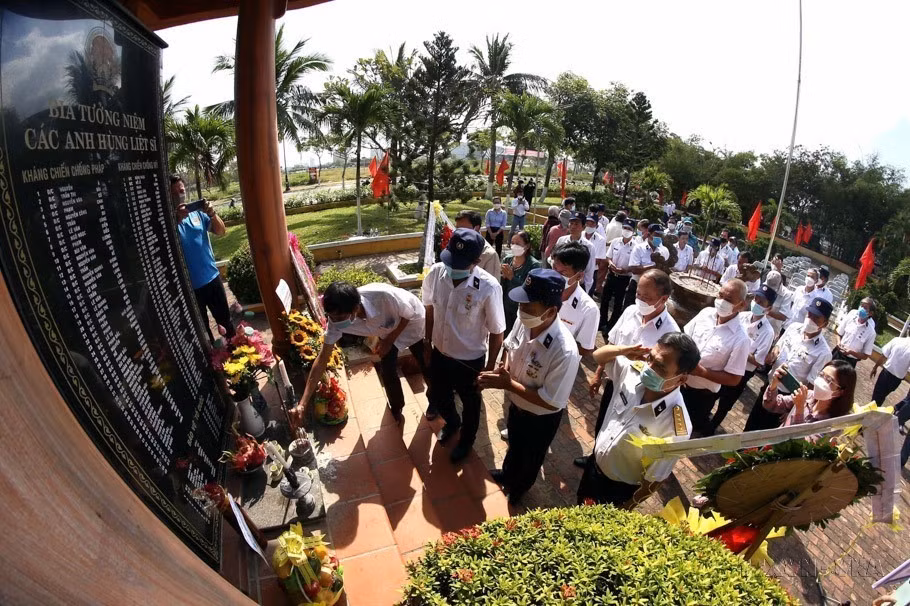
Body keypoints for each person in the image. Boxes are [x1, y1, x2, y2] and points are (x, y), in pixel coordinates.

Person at [481, 269, 580, 505]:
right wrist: (503, 368)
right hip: (517, 406)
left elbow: (551, 401)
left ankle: (518, 489)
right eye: (521, 305)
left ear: (552, 311)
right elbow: (509, 345)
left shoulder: (564, 351)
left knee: (530, 458)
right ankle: (507, 474)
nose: (522, 311)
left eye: (529, 307)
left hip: (540, 418)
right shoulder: (524, 319)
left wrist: (507, 384)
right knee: (514, 445)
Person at [576, 332, 701, 507]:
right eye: (650, 358)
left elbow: (654, 480)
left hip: (617, 490)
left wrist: (627, 507)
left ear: (681, 378)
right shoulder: (632, 373)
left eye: (660, 367)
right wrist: (623, 350)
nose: (649, 367)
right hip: (592, 467)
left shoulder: (676, 426)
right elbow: (598, 356)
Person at [576, 269, 680, 468]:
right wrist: (599, 374)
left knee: (623, 434)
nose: (640, 299)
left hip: (638, 395)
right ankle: (595, 458)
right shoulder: (631, 311)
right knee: (603, 424)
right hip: (614, 384)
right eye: (638, 294)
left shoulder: (671, 333)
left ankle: (607, 467)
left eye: (647, 297)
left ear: (663, 298)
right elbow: (612, 345)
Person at [422, 228, 506, 462]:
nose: (452, 268)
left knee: (470, 404)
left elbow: (497, 331)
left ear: (476, 261)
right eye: (451, 259)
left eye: (460, 263)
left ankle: (466, 441)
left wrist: (489, 368)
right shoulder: (436, 273)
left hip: (470, 361)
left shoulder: (489, 287)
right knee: (439, 395)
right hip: (440, 352)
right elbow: (429, 309)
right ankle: (452, 423)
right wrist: (427, 342)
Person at [297, 282, 427, 424]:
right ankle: (396, 408)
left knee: (424, 361)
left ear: (355, 309)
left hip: (412, 323)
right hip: (387, 331)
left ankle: (434, 401)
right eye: (331, 317)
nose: (335, 322)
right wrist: (302, 403)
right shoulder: (336, 319)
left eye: (340, 318)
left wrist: (389, 341)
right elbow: (322, 359)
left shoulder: (384, 298)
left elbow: (408, 315)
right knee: (387, 370)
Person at [744, 297, 834, 432]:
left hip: (787, 398)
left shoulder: (823, 352)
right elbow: (779, 346)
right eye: (810, 314)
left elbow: (810, 385)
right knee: (752, 422)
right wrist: (773, 353)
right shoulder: (793, 328)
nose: (810, 319)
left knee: (765, 433)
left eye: (817, 318)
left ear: (825, 324)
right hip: (770, 386)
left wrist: (792, 408)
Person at [681, 279, 751, 437]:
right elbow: (684, 339)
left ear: (741, 305)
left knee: (680, 434)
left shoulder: (741, 339)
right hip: (677, 384)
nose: (721, 302)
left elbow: (734, 379)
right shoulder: (706, 313)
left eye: (728, 300)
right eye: (720, 296)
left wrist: (701, 372)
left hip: (699, 398)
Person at [171, 175, 234, 339]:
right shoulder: (167, 221)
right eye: (176, 190)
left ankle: (237, 356)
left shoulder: (197, 214)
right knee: (203, 333)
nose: (180, 192)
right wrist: (176, 219)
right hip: (189, 289)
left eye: (182, 188)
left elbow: (221, 231)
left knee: (226, 323)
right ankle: (213, 362)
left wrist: (212, 213)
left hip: (212, 279)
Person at [709, 284, 777, 434]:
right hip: (725, 362)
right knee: (714, 392)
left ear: (769, 308)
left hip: (742, 372)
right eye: (756, 298)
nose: (756, 303)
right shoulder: (743, 316)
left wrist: (739, 350)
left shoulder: (767, 332)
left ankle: (712, 426)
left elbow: (759, 360)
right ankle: (705, 418)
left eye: (761, 302)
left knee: (726, 402)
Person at [761, 360, 856, 427]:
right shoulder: (808, 395)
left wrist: (799, 408)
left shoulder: (832, 424)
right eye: (821, 375)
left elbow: (801, 446)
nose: (821, 381)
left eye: (829, 380)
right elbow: (770, 404)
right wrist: (774, 384)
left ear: (840, 392)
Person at [550, 242, 599, 356]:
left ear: (579, 276)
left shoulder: (589, 310)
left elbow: (586, 349)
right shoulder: (542, 290)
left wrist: (552, 344)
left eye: (563, 272)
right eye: (554, 268)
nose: (555, 275)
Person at [500, 231, 541, 334]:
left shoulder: (534, 265)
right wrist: (502, 276)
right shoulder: (507, 259)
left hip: (521, 309)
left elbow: (531, 289)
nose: (514, 246)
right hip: (504, 305)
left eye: (518, 243)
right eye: (512, 243)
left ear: (527, 246)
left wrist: (512, 278)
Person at [600, 219, 637, 333]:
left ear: (634, 231)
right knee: (604, 299)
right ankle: (602, 322)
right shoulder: (615, 242)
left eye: (629, 229)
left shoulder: (636, 246)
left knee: (618, 303)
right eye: (625, 228)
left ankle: (611, 326)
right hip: (611, 275)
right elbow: (608, 257)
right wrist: (611, 264)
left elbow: (635, 265)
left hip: (624, 278)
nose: (626, 230)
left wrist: (625, 270)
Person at [624, 224, 668, 309]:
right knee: (629, 310)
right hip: (636, 286)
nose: (658, 238)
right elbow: (634, 270)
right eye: (656, 235)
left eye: (660, 235)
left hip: (652, 290)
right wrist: (654, 266)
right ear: (648, 235)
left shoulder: (663, 251)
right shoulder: (638, 248)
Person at [554, 211, 597, 292]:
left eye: (576, 224)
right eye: (571, 223)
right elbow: (555, 259)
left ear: (583, 227)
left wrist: (585, 290)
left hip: (577, 284)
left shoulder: (589, 246)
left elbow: (589, 271)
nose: (573, 226)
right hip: (560, 281)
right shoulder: (561, 240)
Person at [455, 210, 501, 279]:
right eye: (457, 229)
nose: (459, 233)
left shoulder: (489, 255)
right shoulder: (455, 246)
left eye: (463, 229)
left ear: (477, 228)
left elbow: (492, 286)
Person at [832, 297, 877, 368]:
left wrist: (851, 352)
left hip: (849, 362)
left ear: (870, 313)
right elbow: (838, 333)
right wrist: (838, 343)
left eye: (865, 307)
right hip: (837, 354)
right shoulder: (851, 318)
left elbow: (866, 355)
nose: (861, 309)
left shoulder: (871, 332)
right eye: (861, 306)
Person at [869, 335, 910, 405]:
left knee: (876, 397)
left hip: (886, 374)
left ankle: (870, 412)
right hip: (896, 380)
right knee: (881, 396)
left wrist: (875, 367)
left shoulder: (897, 340)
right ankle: (873, 411)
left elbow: (884, 355)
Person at [583, 214, 608, 294]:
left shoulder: (601, 240)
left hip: (592, 272)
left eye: (592, 223)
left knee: (587, 295)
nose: (589, 225)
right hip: (575, 270)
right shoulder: (579, 235)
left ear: (596, 226)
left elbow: (598, 260)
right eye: (587, 222)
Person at [764, 269, 792, 337]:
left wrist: (765, 311)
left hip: (772, 330)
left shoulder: (787, 294)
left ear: (780, 283)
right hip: (757, 325)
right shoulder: (764, 286)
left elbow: (783, 317)